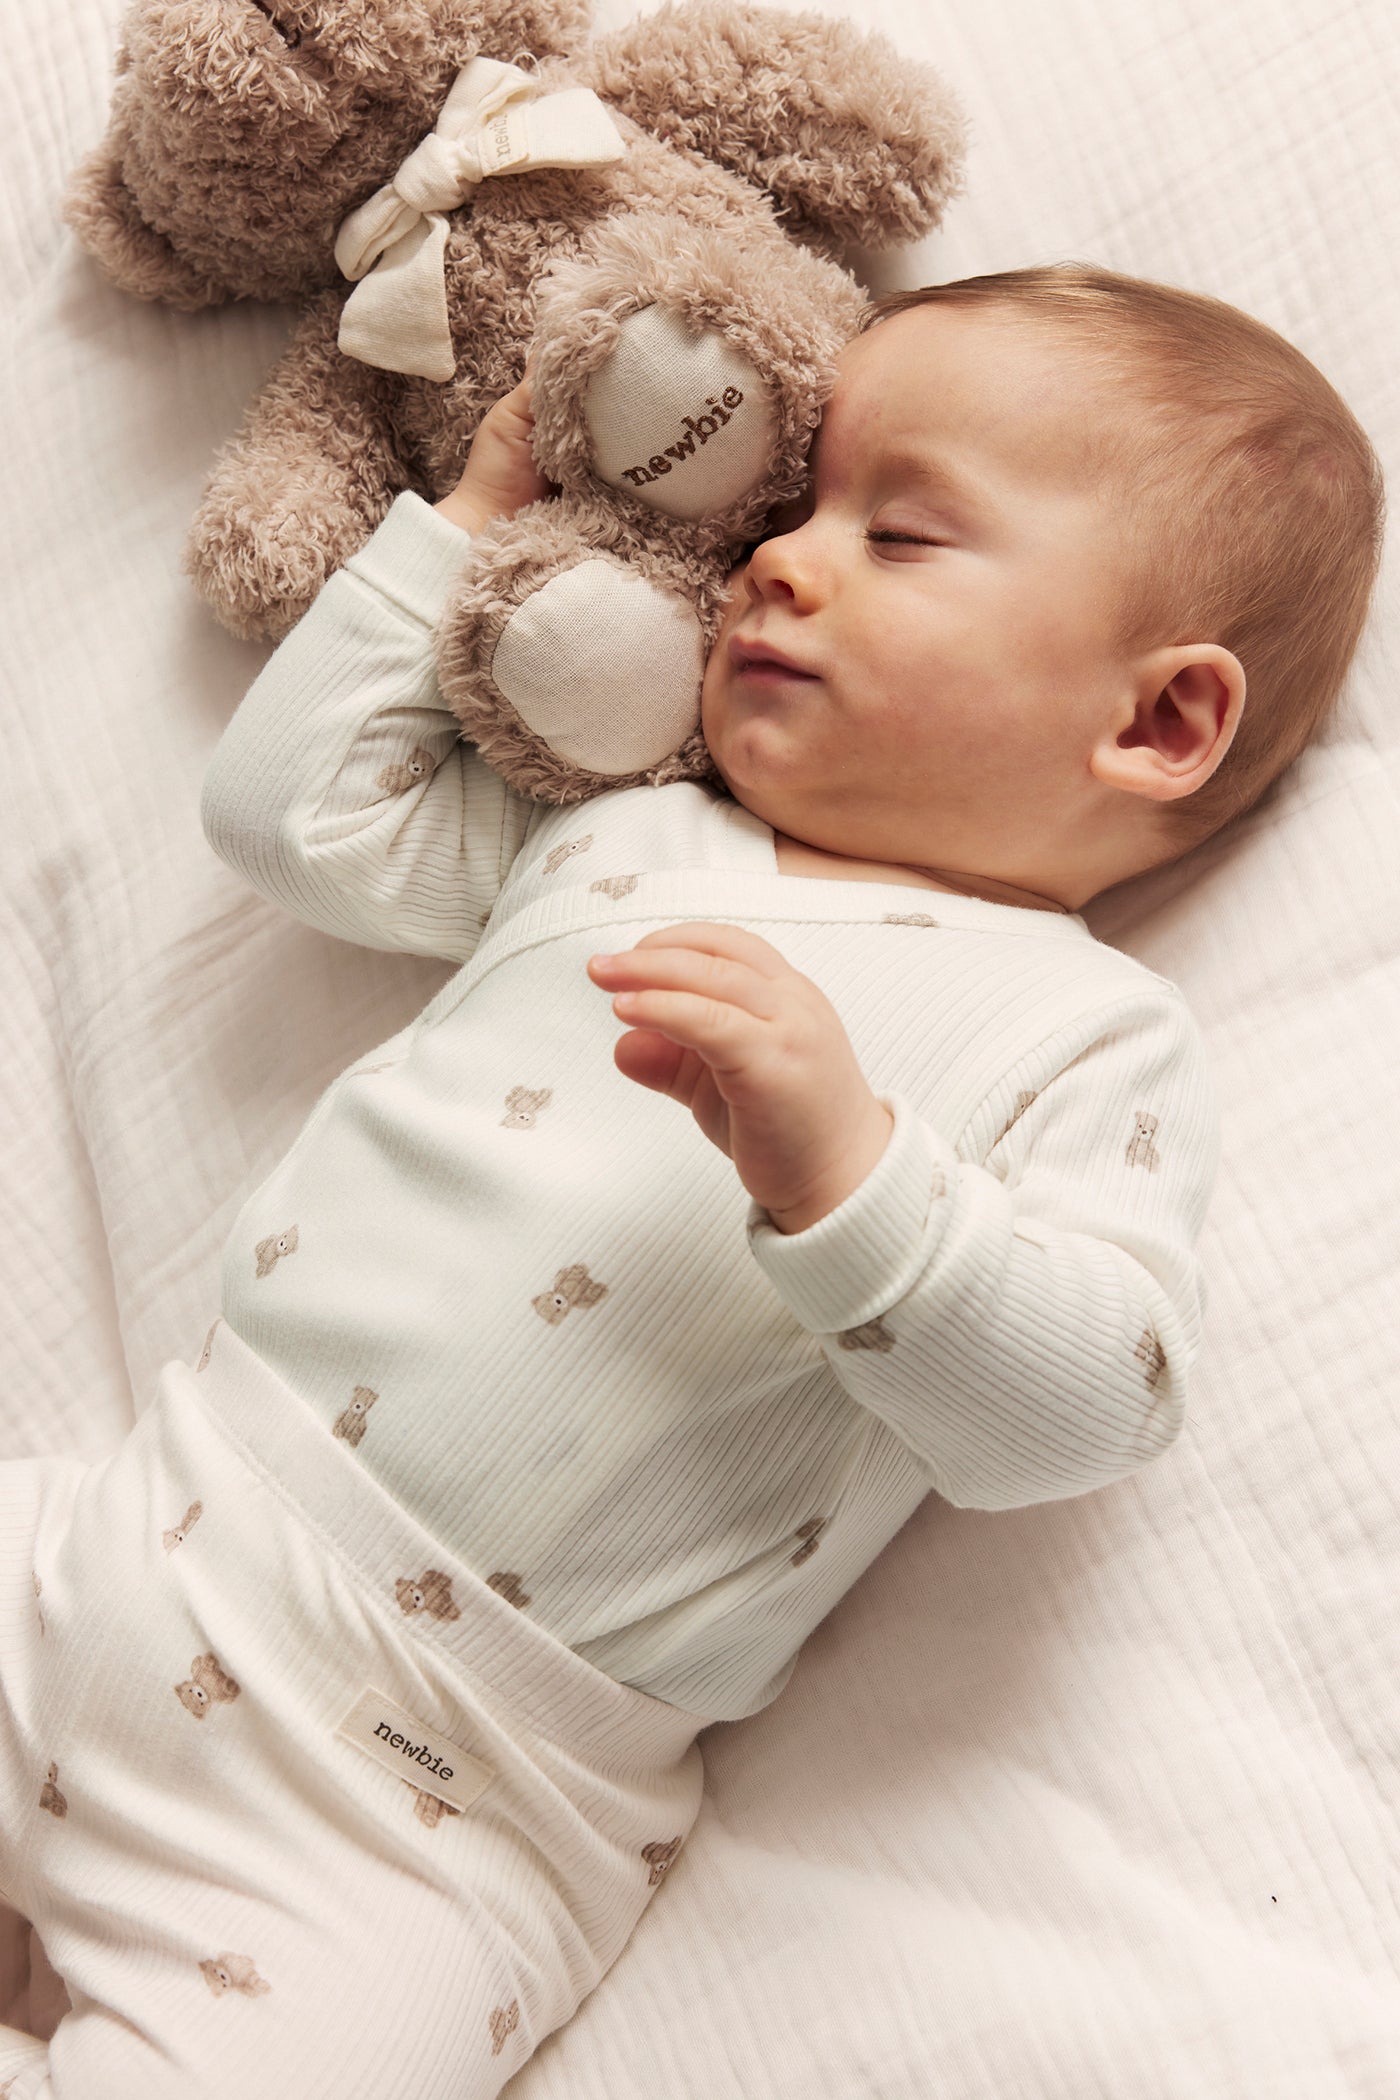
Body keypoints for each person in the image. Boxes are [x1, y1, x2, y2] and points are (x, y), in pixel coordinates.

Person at [0, 264, 1383, 2098]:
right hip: (136, 1535)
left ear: (1160, 725)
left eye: (900, 534)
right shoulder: (631, 829)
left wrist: (854, 1182)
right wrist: (462, 526)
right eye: (796, 508)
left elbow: (1084, 1411)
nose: (779, 561)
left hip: (433, 1807)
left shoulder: (1093, 1036)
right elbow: (302, 821)